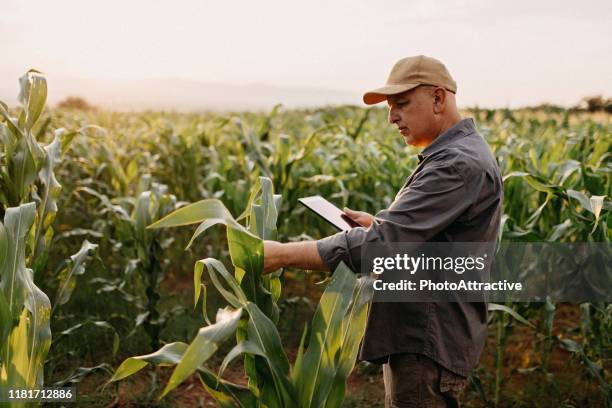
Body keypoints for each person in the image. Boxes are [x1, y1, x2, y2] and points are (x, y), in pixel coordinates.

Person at [263, 55, 503, 407]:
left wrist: (281, 255)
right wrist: (378, 226)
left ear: (438, 99)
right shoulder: (454, 155)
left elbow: (380, 248)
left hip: (426, 339)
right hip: (424, 333)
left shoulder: (456, 164)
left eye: (401, 105)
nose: (392, 118)